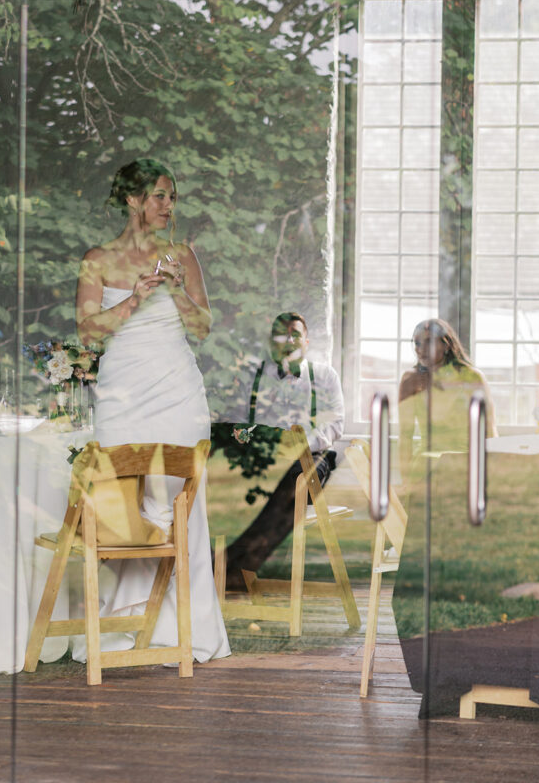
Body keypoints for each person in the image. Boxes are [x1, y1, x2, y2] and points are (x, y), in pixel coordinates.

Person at [74, 157, 229, 664]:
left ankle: (183, 630)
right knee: (123, 503)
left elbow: (203, 329)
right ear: (133, 199)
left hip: (177, 395)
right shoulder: (97, 260)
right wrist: (135, 299)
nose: (168, 206)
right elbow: (88, 334)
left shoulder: (182, 255)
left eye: (172, 197)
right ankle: (123, 629)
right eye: (160, 195)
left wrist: (178, 290)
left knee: (176, 503)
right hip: (123, 396)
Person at [215, 311, 344, 590]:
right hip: (261, 462)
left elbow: (336, 425)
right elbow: (237, 422)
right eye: (280, 335)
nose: (287, 340)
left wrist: (298, 445)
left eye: (294, 334)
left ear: (306, 342)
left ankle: (239, 565)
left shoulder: (325, 375)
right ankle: (219, 564)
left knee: (295, 480)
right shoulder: (253, 378)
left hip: (310, 459)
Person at [398, 317, 497, 483]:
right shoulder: (411, 380)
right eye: (417, 343)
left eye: (428, 342)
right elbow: (405, 437)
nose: (421, 350)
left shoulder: (471, 377)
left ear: (446, 345)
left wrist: (492, 473)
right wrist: (406, 482)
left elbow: (489, 430)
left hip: (466, 466)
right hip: (425, 468)